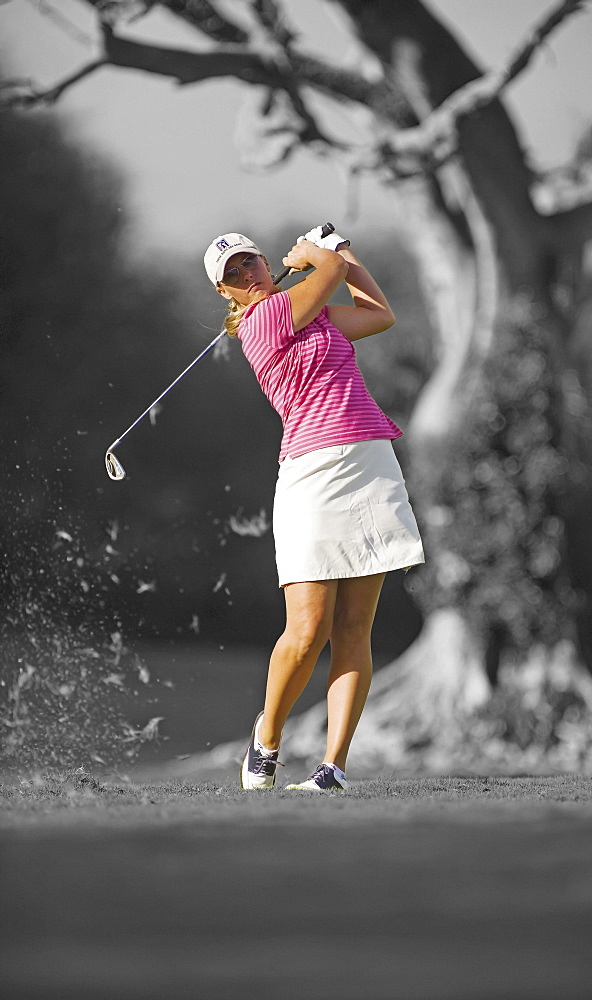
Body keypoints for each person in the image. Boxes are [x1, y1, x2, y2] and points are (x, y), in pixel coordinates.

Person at [203, 226, 424, 791]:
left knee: (355, 626)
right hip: (313, 472)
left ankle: (333, 769)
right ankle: (267, 739)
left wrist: (345, 254)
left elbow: (379, 314)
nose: (248, 273)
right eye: (234, 274)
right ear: (227, 294)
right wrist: (317, 257)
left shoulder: (314, 316)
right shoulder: (261, 322)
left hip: (370, 460)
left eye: (250, 261)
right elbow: (325, 277)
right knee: (306, 631)